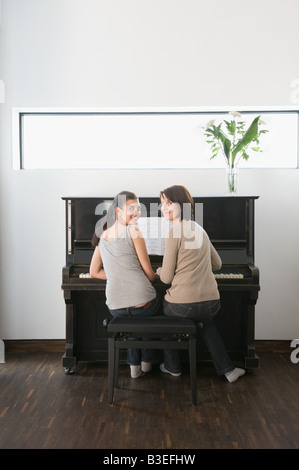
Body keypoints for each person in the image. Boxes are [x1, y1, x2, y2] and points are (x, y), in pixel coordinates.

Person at [156, 184, 245, 383]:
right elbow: (218, 263)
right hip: (211, 304)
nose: (164, 208)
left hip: (182, 307)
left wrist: (162, 270)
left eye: (169, 203)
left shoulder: (174, 232)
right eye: (162, 204)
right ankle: (228, 370)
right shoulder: (199, 228)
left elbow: (166, 279)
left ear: (182, 204)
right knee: (205, 322)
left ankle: (172, 366)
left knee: (163, 312)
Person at [90, 191, 160, 378]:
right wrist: (155, 274)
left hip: (115, 308)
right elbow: (149, 275)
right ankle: (147, 363)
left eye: (138, 208)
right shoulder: (134, 231)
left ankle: (134, 368)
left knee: (132, 323)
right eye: (132, 209)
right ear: (118, 210)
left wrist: (116, 274)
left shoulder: (102, 235)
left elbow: (94, 272)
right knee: (152, 308)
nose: (136, 212)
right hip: (142, 305)